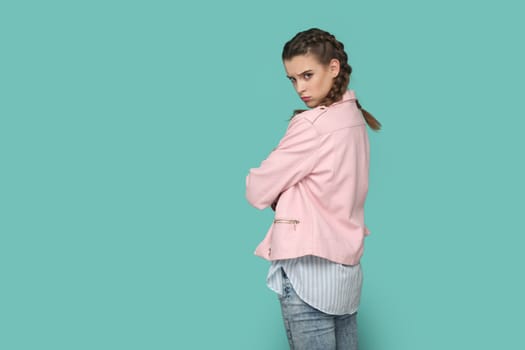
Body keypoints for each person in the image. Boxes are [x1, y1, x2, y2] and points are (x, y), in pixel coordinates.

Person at [245, 28, 381, 350]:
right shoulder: (354, 118)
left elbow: (256, 189)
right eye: (292, 79)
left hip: (309, 273)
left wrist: (281, 193)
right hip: (345, 275)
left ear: (333, 68)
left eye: (307, 75)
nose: (300, 88)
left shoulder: (312, 126)